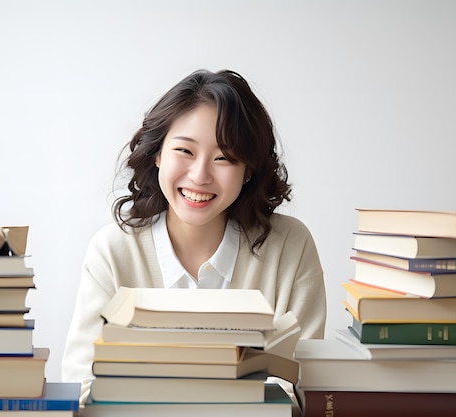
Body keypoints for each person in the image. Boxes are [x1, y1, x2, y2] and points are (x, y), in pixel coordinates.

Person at [61, 69, 326, 405]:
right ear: (157, 154)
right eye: (185, 151)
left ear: (248, 171)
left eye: (224, 158)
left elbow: (299, 390)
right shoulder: (112, 252)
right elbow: (82, 388)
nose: (200, 175)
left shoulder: (290, 246)